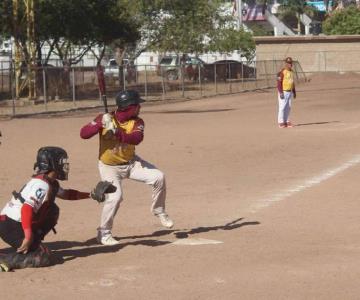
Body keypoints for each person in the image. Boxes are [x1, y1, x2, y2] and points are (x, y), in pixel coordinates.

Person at [80, 90, 173, 246]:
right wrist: (99, 124)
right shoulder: (105, 118)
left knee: (158, 177)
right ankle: (103, 233)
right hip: (109, 167)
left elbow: (136, 139)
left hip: (131, 163)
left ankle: (159, 210)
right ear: (129, 107)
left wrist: (117, 132)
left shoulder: (138, 121)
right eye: (137, 105)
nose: (140, 107)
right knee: (115, 197)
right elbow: (83, 134)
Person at [0, 146, 91, 272]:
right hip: (11, 225)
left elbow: (67, 194)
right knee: (43, 256)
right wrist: (27, 236)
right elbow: (26, 209)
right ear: (52, 164)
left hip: (12, 222)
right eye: (61, 162)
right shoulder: (41, 185)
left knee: (53, 210)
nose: (64, 165)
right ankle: (5, 260)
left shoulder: (50, 183)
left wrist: (91, 195)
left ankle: (32, 243)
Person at [277, 57, 297, 128]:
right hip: (284, 91)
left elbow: (292, 82)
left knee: (288, 107)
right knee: (282, 107)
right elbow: (279, 83)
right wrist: (281, 92)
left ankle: (287, 121)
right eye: (288, 63)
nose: (290, 64)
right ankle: (281, 122)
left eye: (291, 63)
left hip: (290, 92)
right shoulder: (282, 72)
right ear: (286, 63)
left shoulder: (291, 72)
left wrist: (294, 91)